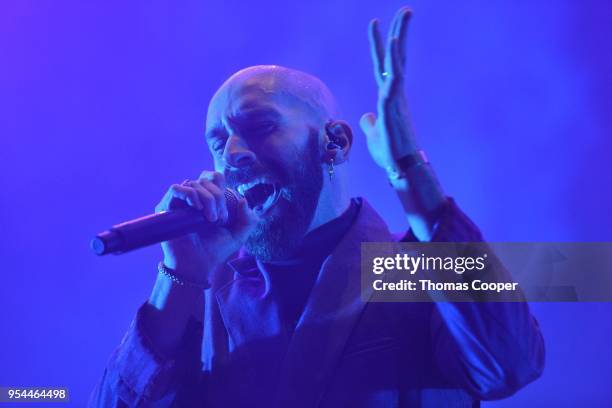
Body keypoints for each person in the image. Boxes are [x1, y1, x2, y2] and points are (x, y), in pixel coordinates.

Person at [90, 7, 544, 407]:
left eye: (261, 126)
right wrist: (179, 276)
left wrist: (411, 173)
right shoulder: (202, 297)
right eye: (218, 142)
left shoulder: (418, 275)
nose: (232, 155)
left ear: (335, 143)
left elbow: (510, 364)